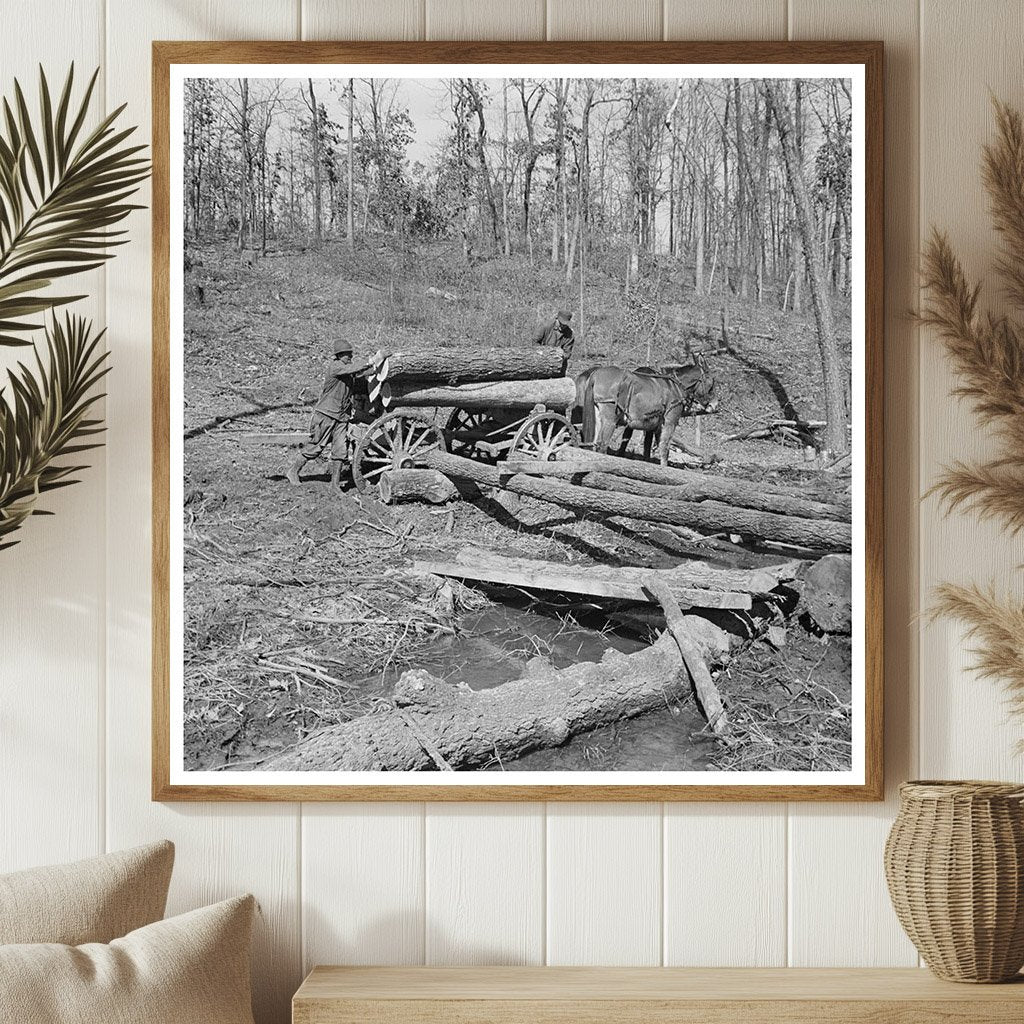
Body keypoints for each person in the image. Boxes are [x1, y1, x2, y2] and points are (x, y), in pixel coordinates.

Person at [286, 339, 358, 491]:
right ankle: (293, 471)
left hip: (342, 417)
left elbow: (359, 373)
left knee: (340, 451)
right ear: (339, 356)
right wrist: (373, 360)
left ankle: (335, 485)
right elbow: (354, 368)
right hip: (326, 414)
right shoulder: (336, 367)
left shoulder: (348, 371)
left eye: (351, 354)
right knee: (316, 447)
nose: (350, 356)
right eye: (347, 354)